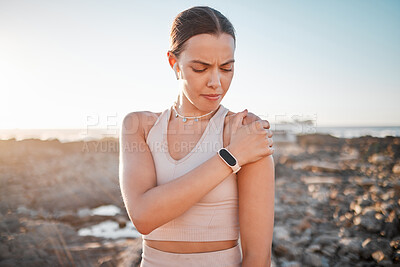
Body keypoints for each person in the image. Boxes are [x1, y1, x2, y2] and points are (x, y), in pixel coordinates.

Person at [119, 6, 275, 267]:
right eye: (201, 68)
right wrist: (231, 156)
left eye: (226, 68)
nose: (216, 82)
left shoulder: (245, 130)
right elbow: (143, 217)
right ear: (174, 63)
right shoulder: (139, 125)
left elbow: (258, 258)